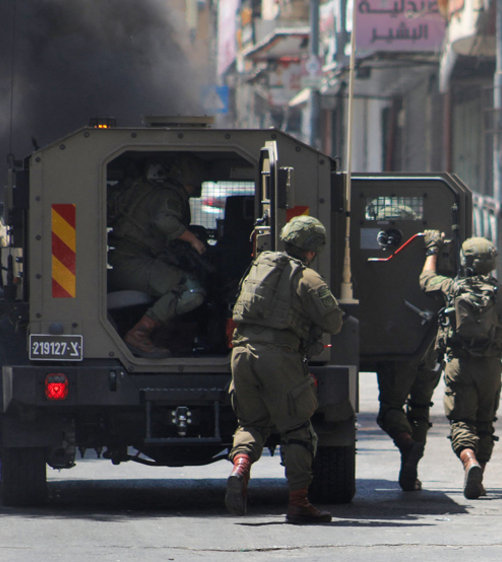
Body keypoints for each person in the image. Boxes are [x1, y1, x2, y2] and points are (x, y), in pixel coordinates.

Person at [224, 215, 343, 524]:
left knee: (250, 423)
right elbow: (334, 322)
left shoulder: (259, 265)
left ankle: (239, 468)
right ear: (313, 250)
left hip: (241, 353)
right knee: (297, 430)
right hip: (278, 358)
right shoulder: (308, 278)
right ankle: (298, 503)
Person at [419, 233, 502, 499]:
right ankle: (478, 475)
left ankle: (468, 460)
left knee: (462, 421)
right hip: (491, 368)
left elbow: (425, 280)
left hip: (459, 364)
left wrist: (432, 249)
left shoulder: (451, 287)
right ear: (492, 263)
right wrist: (501, 329)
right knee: (485, 423)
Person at [107, 156, 209, 357]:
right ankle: (138, 335)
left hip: (129, 261)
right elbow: (164, 221)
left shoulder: (154, 191)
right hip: (133, 262)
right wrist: (193, 240)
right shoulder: (169, 195)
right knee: (190, 290)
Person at [375, 345, 441, 492]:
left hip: (400, 346)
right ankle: (410, 472)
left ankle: (407, 443)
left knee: (390, 408)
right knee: (420, 408)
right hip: (432, 348)